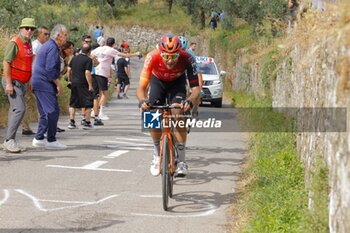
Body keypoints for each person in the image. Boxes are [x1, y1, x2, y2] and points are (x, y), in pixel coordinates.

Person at [137, 33, 200, 177]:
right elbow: (141, 88)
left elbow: (196, 89)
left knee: (177, 114)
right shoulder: (152, 57)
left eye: (174, 57)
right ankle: (156, 154)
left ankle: (182, 161)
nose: (170, 61)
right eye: (166, 57)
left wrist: (190, 100)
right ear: (161, 53)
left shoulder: (187, 58)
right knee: (151, 114)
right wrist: (142, 101)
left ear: (180, 53)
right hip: (157, 82)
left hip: (177, 84)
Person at [1, 18, 37, 153]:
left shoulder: (28, 43)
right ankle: (9, 141)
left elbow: (28, 63)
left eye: (32, 29)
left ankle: (10, 141)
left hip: (22, 82)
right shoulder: (14, 43)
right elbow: (6, 63)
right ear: (21, 28)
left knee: (14, 110)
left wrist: (29, 80)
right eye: (26, 28)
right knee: (20, 109)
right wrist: (9, 84)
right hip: (13, 82)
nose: (29, 31)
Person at [31, 24, 68, 150]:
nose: (66, 38)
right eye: (65, 35)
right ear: (58, 36)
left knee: (44, 113)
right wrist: (58, 84)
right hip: (44, 82)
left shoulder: (49, 45)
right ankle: (51, 140)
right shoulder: (52, 47)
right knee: (53, 111)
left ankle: (39, 138)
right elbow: (50, 68)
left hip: (38, 81)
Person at [91, 37, 141, 120]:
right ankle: (101, 113)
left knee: (97, 94)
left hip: (95, 72)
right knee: (104, 93)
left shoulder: (98, 49)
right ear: (113, 44)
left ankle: (94, 111)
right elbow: (125, 55)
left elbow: (91, 55)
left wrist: (96, 61)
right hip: (102, 73)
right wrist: (136, 53)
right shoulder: (111, 50)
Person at [22, 25, 50, 136]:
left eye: (48, 34)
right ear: (39, 34)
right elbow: (31, 63)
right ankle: (29, 127)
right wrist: (31, 79)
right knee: (32, 103)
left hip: (36, 78)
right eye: (45, 34)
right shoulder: (35, 45)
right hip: (33, 79)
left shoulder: (41, 46)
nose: (47, 36)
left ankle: (29, 127)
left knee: (34, 104)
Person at [66, 43, 94, 129]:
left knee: (73, 103)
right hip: (83, 84)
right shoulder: (88, 60)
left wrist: (69, 80)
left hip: (74, 83)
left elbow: (69, 69)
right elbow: (87, 72)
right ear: (89, 51)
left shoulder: (74, 58)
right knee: (88, 103)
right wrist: (90, 85)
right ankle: (87, 122)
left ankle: (72, 122)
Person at [185, 41, 203, 118]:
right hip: (185, 75)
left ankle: (192, 108)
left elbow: (196, 68)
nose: (195, 47)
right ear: (191, 46)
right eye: (194, 46)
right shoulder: (189, 53)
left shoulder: (190, 53)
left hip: (187, 75)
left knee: (190, 92)